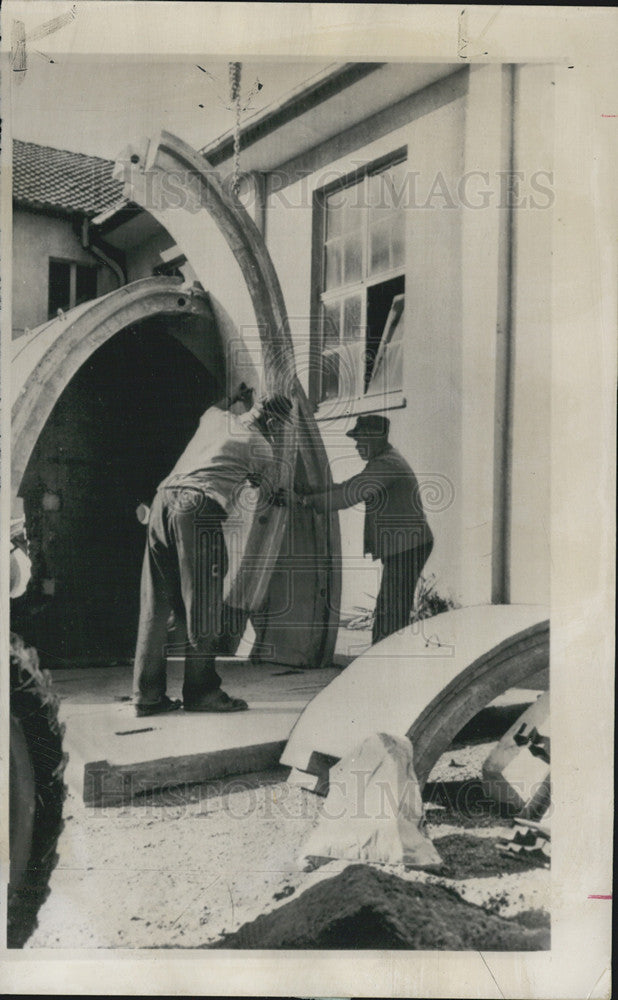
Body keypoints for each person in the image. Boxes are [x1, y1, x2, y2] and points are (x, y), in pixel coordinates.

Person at [132, 387, 292, 717]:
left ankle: (146, 697)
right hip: (198, 508)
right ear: (274, 421)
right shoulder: (261, 447)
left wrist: (235, 396)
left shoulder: (216, 418)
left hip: (162, 500)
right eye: (279, 425)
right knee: (203, 603)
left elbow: (215, 406)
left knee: (156, 604)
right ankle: (202, 692)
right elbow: (267, 489)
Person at [299, 414, 433, 645]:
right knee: (391, 606)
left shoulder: (387, 464)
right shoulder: (383, 460)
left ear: (377, 438)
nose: (357, 445)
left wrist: (306, 501)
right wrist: (309, 489)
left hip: (408, 546)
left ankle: (382, 661)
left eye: (362, 439)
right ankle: (384, 657)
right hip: (406, 544)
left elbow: (351, 494)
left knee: (390, 608)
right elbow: (348, 486)